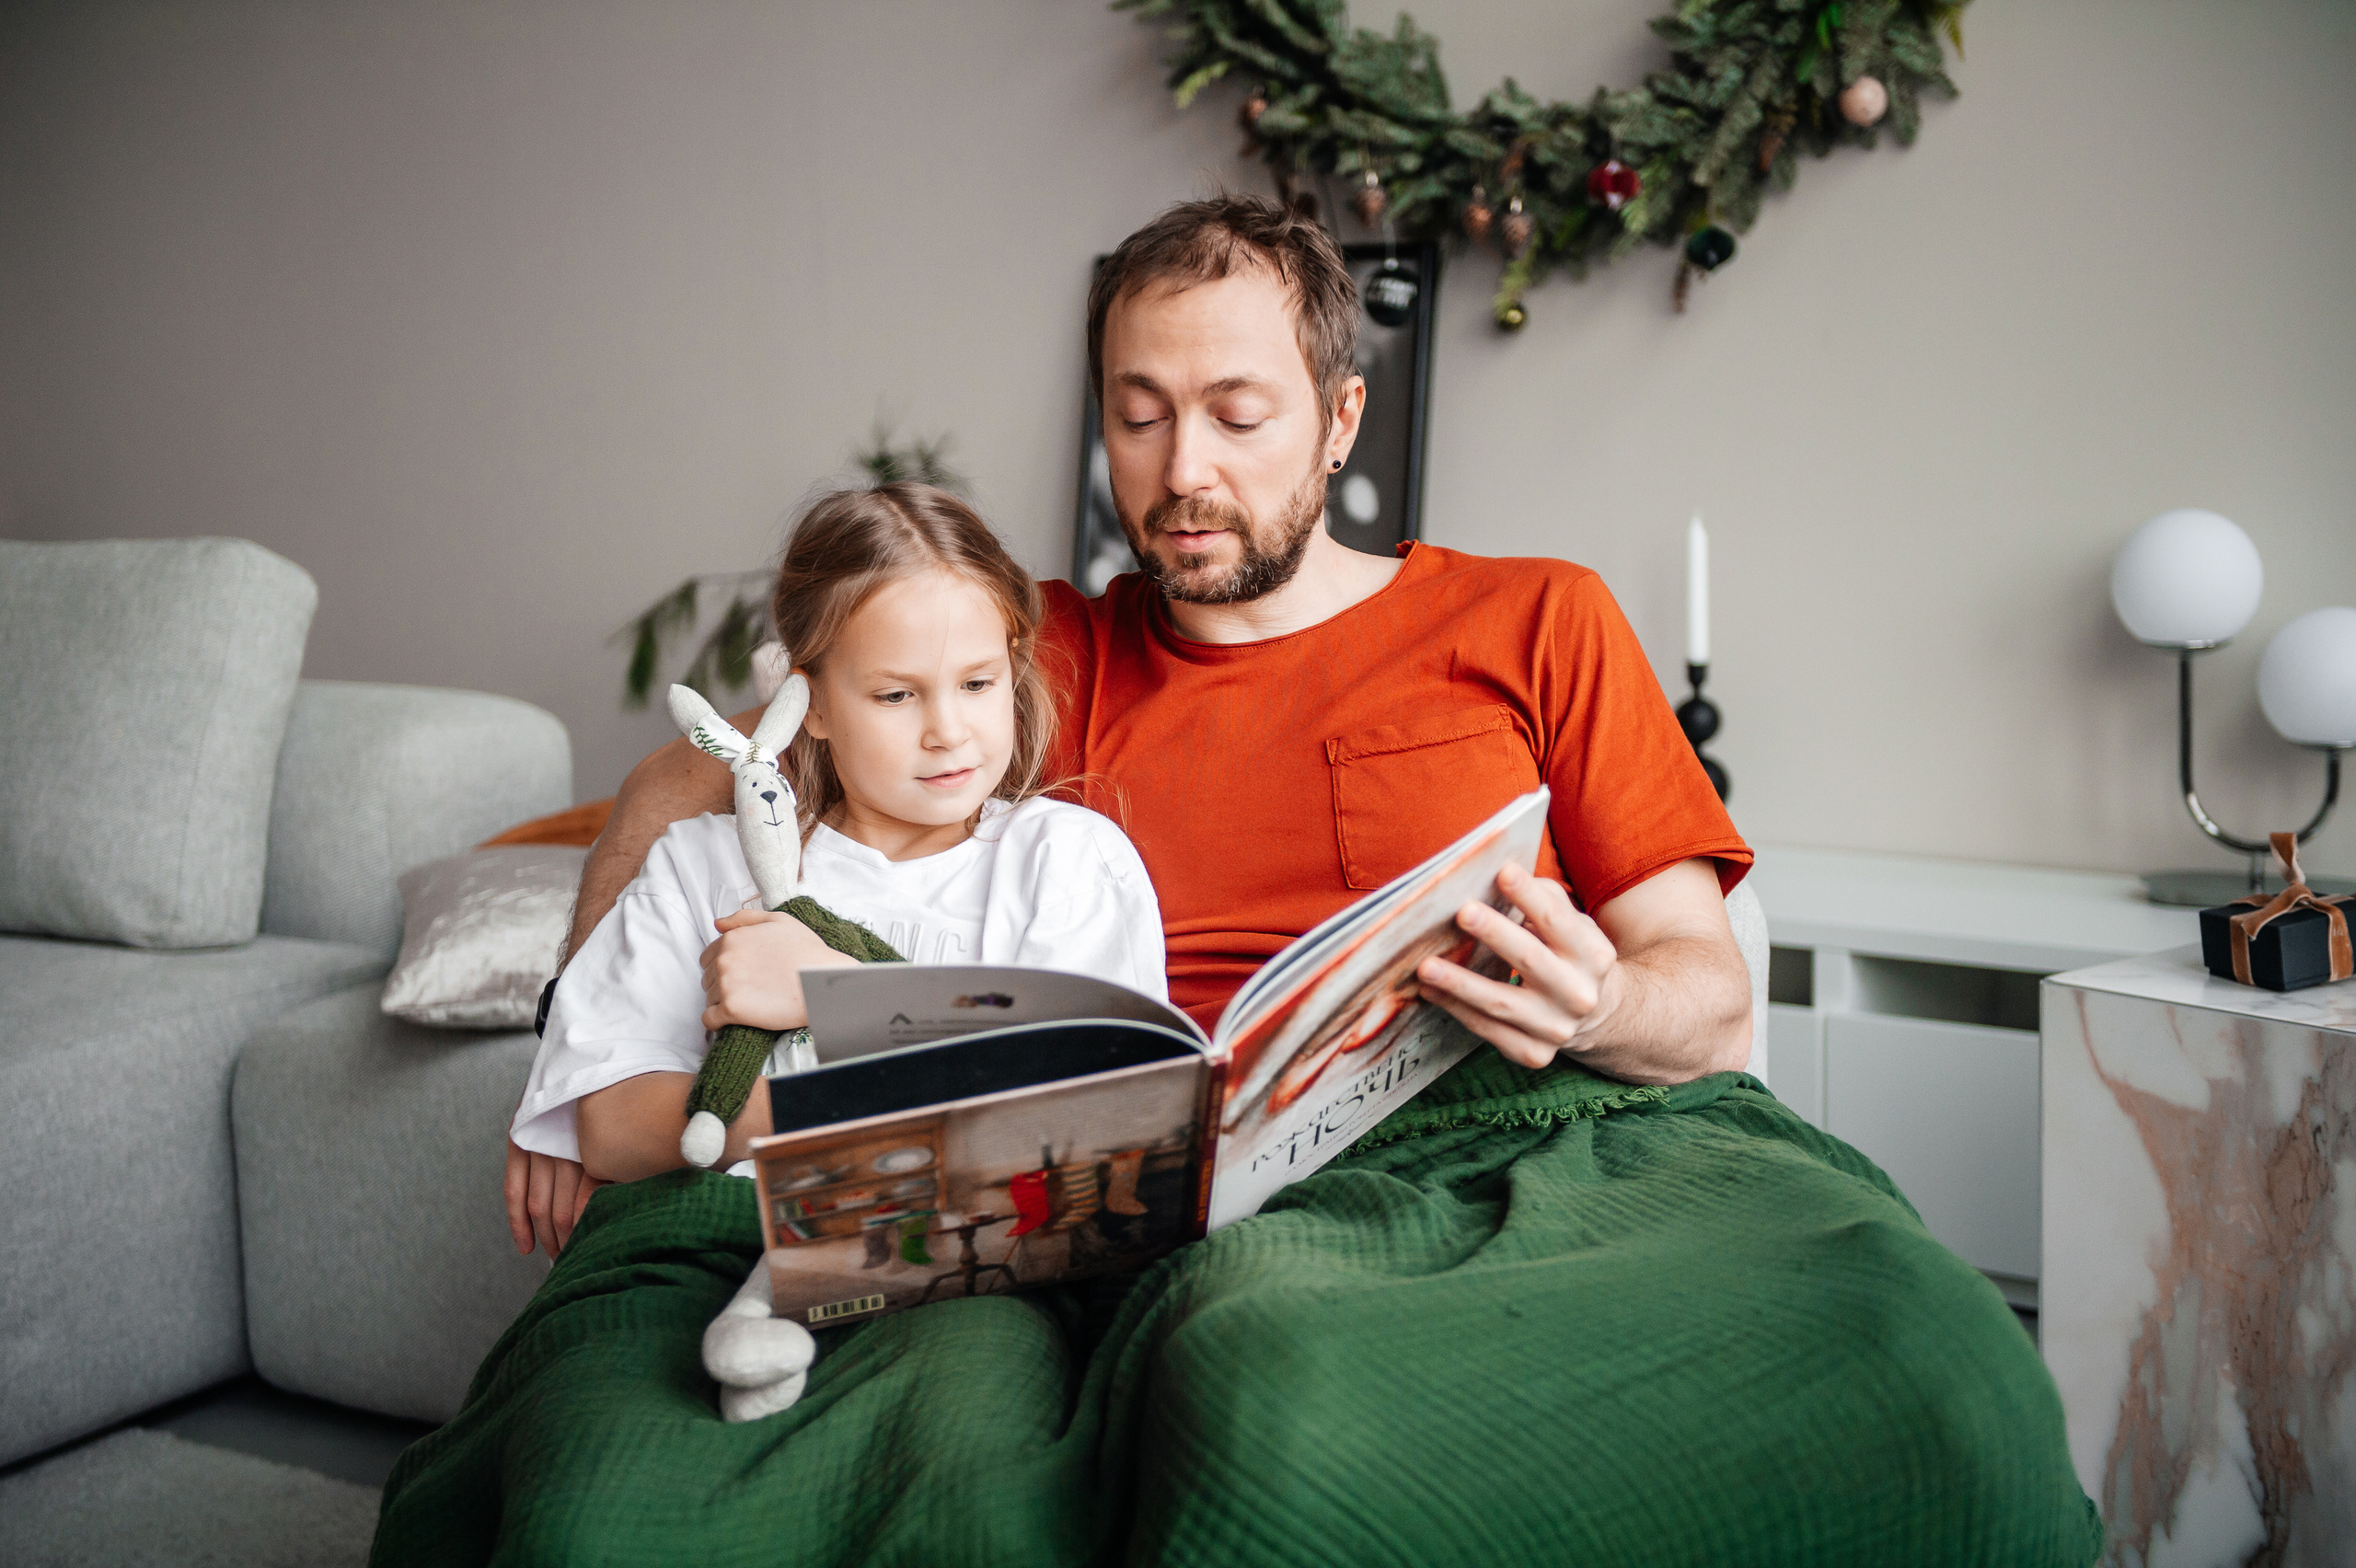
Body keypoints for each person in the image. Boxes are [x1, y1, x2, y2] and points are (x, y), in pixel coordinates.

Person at [412, 195, 2096, 1567]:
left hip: (1570, 1123)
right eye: (1138, 418)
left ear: (1340, 419)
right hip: (1243, 1191)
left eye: (1235, 413)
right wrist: (582, 1062)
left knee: (1925, 1354)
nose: (1181, 469)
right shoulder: (1039, 657)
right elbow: (689, 771)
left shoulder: (1535, 616)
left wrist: (1607, 1001)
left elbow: (1703, 989)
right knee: (1283, 1419)